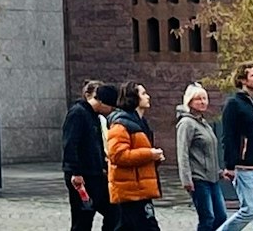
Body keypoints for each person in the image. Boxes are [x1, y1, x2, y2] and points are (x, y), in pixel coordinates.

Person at [218, 63, 253, 231]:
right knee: (250, 211)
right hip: (245, 169)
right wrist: (230, 166)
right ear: (242, 80)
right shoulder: (234, 104)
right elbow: (228, 136)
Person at [106, 81, 164, 231]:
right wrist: (149, 154)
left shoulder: (140, 123)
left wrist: (154, 158)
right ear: (133, 98)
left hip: (139, 189)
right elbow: (118, 155)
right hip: (129, 191)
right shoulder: (120, 125)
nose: (148, 96)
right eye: (143, 94)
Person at [65, 80, 117, 231]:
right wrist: (75, 172)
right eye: (110, 106)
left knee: (114, 211)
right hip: (83, 175)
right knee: (83, 219)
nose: (110, 110)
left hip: (95, 174)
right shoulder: (78, 113)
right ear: (101, 102)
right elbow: (70, 143)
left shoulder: (94, 115)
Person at [177, 83, 223, 231]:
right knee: (207, 218)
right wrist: (186, 178)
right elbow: (182, 152)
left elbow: (209, 152)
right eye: (198, 99)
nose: (203, 102)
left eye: (205, 98)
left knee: (221, 216)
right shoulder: (186, 124)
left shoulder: (204, 123)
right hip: (198, 178)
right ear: (189, 101)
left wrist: (219, 172)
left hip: (212, 178)